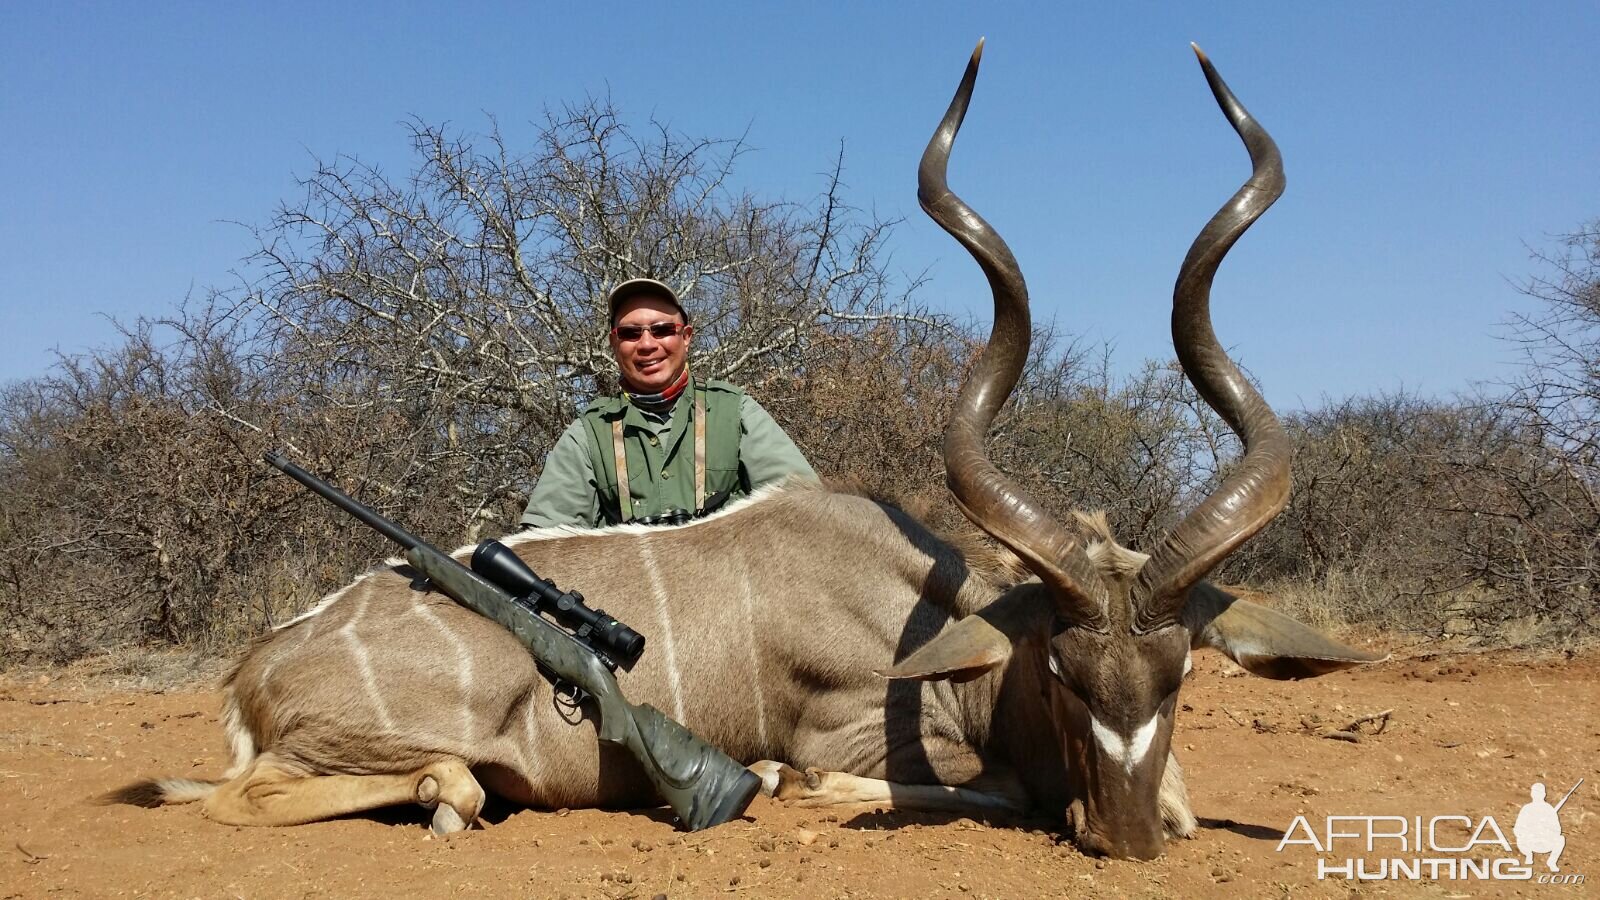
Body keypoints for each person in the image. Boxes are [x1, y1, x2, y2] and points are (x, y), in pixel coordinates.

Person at [520, 277, 817, 529]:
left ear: (686, 337)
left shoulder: (734, 411)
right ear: (614, 344)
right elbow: (544, 542)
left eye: (662, 330)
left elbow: (808, 510)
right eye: (630, 333)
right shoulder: (589, 433)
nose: (647, 344)